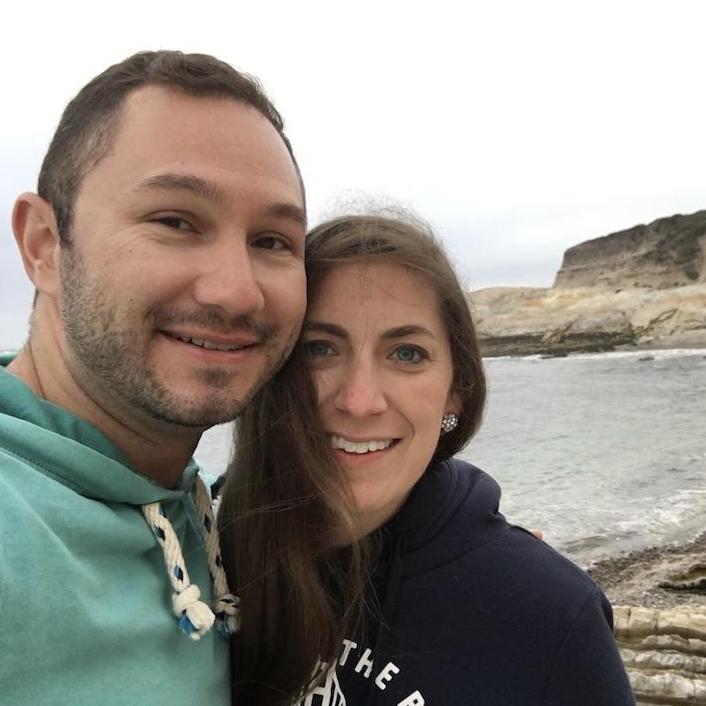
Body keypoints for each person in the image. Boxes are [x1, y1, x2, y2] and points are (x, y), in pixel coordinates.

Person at [219, 213, 635, 705]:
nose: (360, 400)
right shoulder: (204, 555)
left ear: (455, 389)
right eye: (320, 348)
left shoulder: (548, 613)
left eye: (407, 354)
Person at [0, 50, 307, 705]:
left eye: (273, 241)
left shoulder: (199, 505)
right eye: (175, 221)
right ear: (45, 246)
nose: (237, 292)